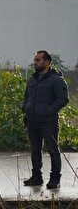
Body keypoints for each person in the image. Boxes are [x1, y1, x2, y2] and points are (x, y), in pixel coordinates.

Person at [22, 50, 69, 189]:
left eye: (38, 60)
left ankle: (55, 179)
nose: (35, 62)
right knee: (35, 150)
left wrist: (48, 111)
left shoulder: (56, 79)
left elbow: (63, 99)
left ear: (47, 62)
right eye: (35, 60)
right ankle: (36, 177)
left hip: (48, 122)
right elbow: (26, 97)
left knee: (52, 149)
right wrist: (24, 107)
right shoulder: (32, 79)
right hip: (32, 120)